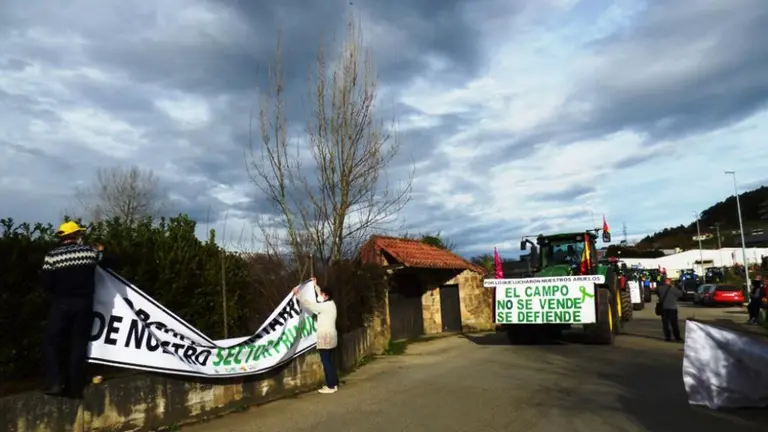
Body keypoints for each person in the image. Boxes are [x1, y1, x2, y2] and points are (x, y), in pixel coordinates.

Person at [41, 221, 114, 398]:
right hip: (85, 304)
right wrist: (101, 249)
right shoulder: (89, 252)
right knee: (79, 344)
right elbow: (109, 262)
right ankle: (75, 387)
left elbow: (46, 283)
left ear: (62, 236)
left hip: (62, 303)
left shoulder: (52, 256)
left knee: (52, 342)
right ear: (76, 235)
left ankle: (55, 382)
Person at [292, 281, 339, 394]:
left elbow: (310, 305)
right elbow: (320, 297)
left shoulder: (324, 306)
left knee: (326, 362)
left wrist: (298, 294)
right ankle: (334, 384)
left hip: (325, 337)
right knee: (330, 361)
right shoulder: (331, 304)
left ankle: (331, 386)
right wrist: (315, 286)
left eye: (322, 294)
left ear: (326, 296)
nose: (320, 295)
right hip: (332, 336)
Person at [657, 277, 683, 342]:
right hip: (672, 308)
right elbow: (680, 294)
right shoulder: (673, 289)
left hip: (663, 308)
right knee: (674, 324)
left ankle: (667, 337)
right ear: (669, 282)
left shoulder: (660, 289)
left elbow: (658, 295)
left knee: (665, 324)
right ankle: (677, 337)